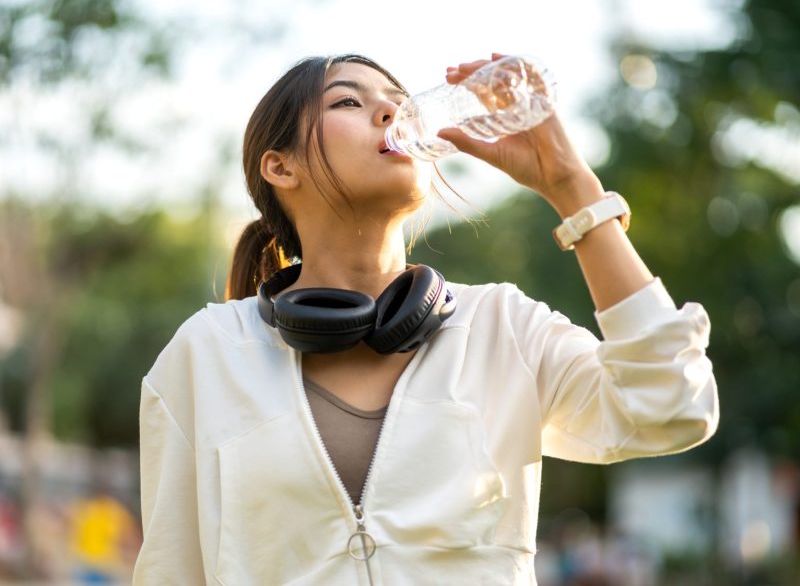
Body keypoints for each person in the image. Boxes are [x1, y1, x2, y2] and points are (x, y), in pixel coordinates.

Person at [132, 53, 719, 585]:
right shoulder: (204, 355)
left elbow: (672, 404)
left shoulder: (503, 326)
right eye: (348, 101)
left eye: (397, 99)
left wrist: (572, 187)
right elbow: (171, 573)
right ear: (281, 168)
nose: (391, 109)